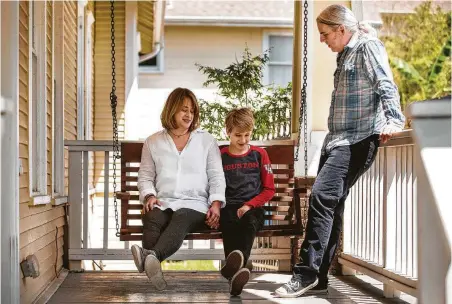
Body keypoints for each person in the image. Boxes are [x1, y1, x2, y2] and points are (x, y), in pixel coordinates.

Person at [275, 4, 405, 298]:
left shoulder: (367, 47)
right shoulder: (347, 50)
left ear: (341, 30)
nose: (322, 40)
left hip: (356, 141)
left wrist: (394, 119)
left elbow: (385, 84)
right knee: (332, 205)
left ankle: (305, 273)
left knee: (322, 197)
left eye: (325, 34)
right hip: (336, 140)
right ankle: (319, 278)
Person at [132, 87, 226, 290]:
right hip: (164, 201)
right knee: (151, 216)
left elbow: (216, 176)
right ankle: (154, 268)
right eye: (184, 109)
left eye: (192, 111)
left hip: (195, 205)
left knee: (182, 215)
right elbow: (145, 176)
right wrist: (149, 195)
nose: (189, 115)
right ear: (171, 110)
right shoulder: (153, 142)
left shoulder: (206, 141)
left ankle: (150, 257)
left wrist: (216, 204)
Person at [218, 108, 275, 296]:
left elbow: (269, 189)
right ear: (228, 132)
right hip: (228, 206)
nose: (243, 140)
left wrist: (249, 205)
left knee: (249, 221)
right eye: (237, 135)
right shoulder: (220, 155)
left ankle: (232, 269)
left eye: (247, 135)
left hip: (254, 207)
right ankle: (236, 273)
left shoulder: (259, 154)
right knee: (228, 221)